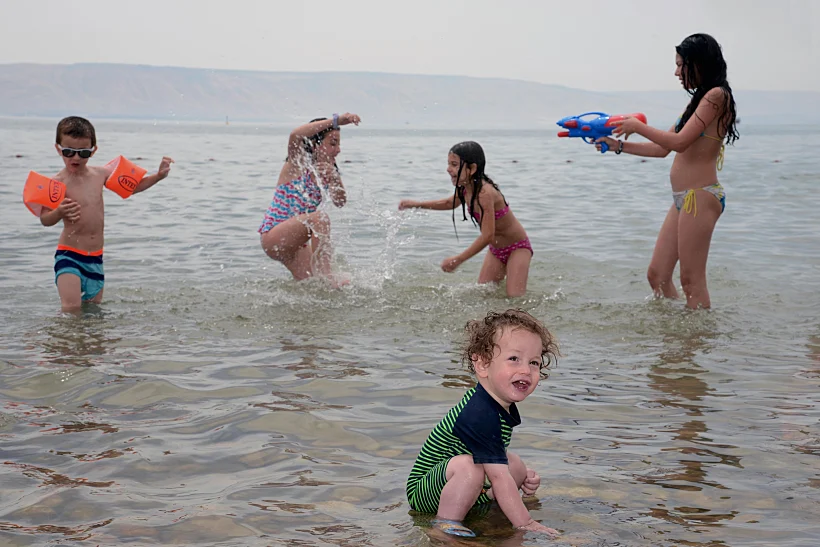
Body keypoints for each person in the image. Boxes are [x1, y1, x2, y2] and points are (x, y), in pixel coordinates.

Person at [596, 33, 739, 309]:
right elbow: (662, 149)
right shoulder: (699, 99)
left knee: (691, 280)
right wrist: (618, 146)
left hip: (701, 196)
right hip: (683, 199)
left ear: (697, 63)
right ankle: (674, 337)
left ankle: (695, 343)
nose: (676, 72)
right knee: (658, 275)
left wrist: (636, 126)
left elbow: (680, 142)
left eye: (680, 64)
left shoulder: (717, 96)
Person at [406, 309, 560, 538]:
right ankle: (445, 524)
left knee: (514, 465)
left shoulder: (497, 403)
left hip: (462, 480)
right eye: (514, 359)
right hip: (425, 491)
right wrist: (526, 523)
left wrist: (522, 477)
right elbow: (496, 475)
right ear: (483, 365)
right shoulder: (479, 413)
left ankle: (484, 507)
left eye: (534, 362)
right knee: (472, 468)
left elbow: (495, 461)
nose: (526, 370)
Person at [39, 116, 174, 312]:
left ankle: (89, 342)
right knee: (71, 309)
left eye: (83, 152)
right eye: (69, 152)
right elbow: (45, 219)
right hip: (69, 255)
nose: (75, 158)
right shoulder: (56, 184)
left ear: (93, 150)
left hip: (95, 258)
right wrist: (59, 212)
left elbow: (132, 188)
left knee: (93, 313)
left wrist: (158, 177)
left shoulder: (100, 174)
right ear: (58, 148)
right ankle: (64, 342)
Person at [399, 142, 533, 297]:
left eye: (454, 164)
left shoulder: (484, 193)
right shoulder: (465, 188)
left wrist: (458, 259)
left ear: (472, 169)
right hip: (496, 250)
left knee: (515, 298)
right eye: (448, 164)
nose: (448, 169)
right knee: (484, 294)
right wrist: (416, 204)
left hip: (517, 248)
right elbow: (449, 203)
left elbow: (488, 235)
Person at [258, 113, 360, 287]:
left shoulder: (327, 171)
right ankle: (327, 276)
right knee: (320, 218)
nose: (338, 149)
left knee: (320, 286)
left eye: (339, 144)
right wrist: (336, 121)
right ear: (314, 144)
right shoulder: (297, 164)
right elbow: (295, 135)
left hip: (296, 245)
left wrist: (335, 178)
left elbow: (340, 202)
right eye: (332, 143)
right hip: (274, 236)